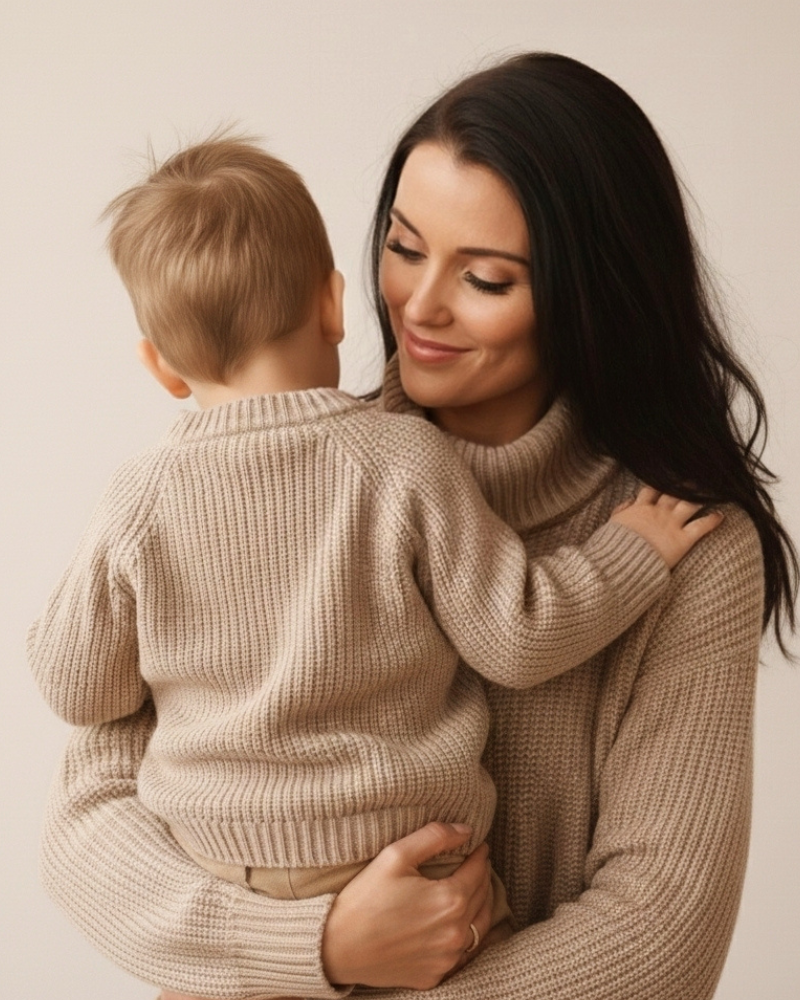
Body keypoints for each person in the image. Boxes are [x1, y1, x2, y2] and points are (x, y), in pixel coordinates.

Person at [39, 53, 797, 1000]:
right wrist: (317, 949)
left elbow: (657, 940)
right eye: (402, 248)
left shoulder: (687, 545)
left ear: (590, 295)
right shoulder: (293, 479)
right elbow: (89, 816)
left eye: (484, 278)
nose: (420, 308)